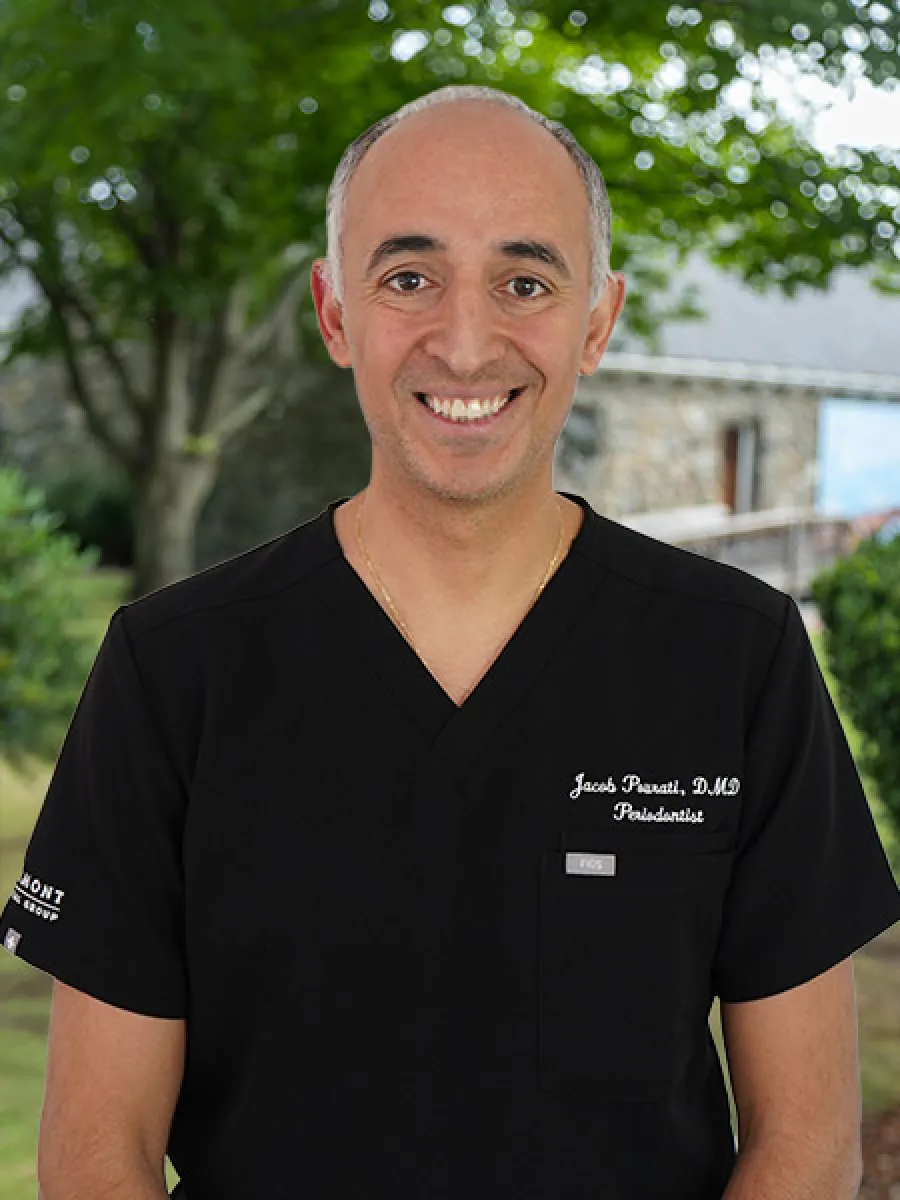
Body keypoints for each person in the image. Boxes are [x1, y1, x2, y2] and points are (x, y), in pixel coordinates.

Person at [3, 84, 899, 1200]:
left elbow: (807, 1149)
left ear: (596, 322)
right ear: (335, 315)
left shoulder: (737, 657)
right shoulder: (173, 671)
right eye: (409, 279)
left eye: (524, 282)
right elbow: (97, 1156)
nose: (466, 343)